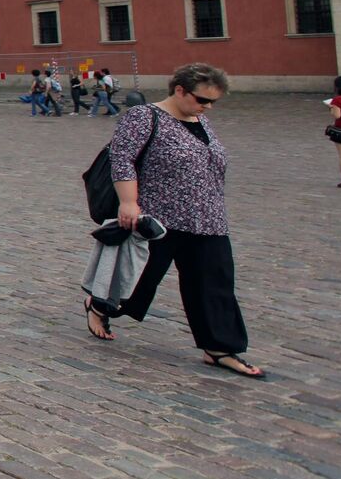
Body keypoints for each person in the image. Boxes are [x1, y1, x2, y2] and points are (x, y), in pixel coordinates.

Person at [94, 63, 261, 378]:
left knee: (215, 282)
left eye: (212, 102)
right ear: (180, 90)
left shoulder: (200, 120)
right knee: (139, 279)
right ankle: (99, 306)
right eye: (202, 100)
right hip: (160, 217)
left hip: (208, 218)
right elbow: (123, 157)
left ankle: (220, 348)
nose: (207, 107)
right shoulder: (144, 117)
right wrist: (128, 202)